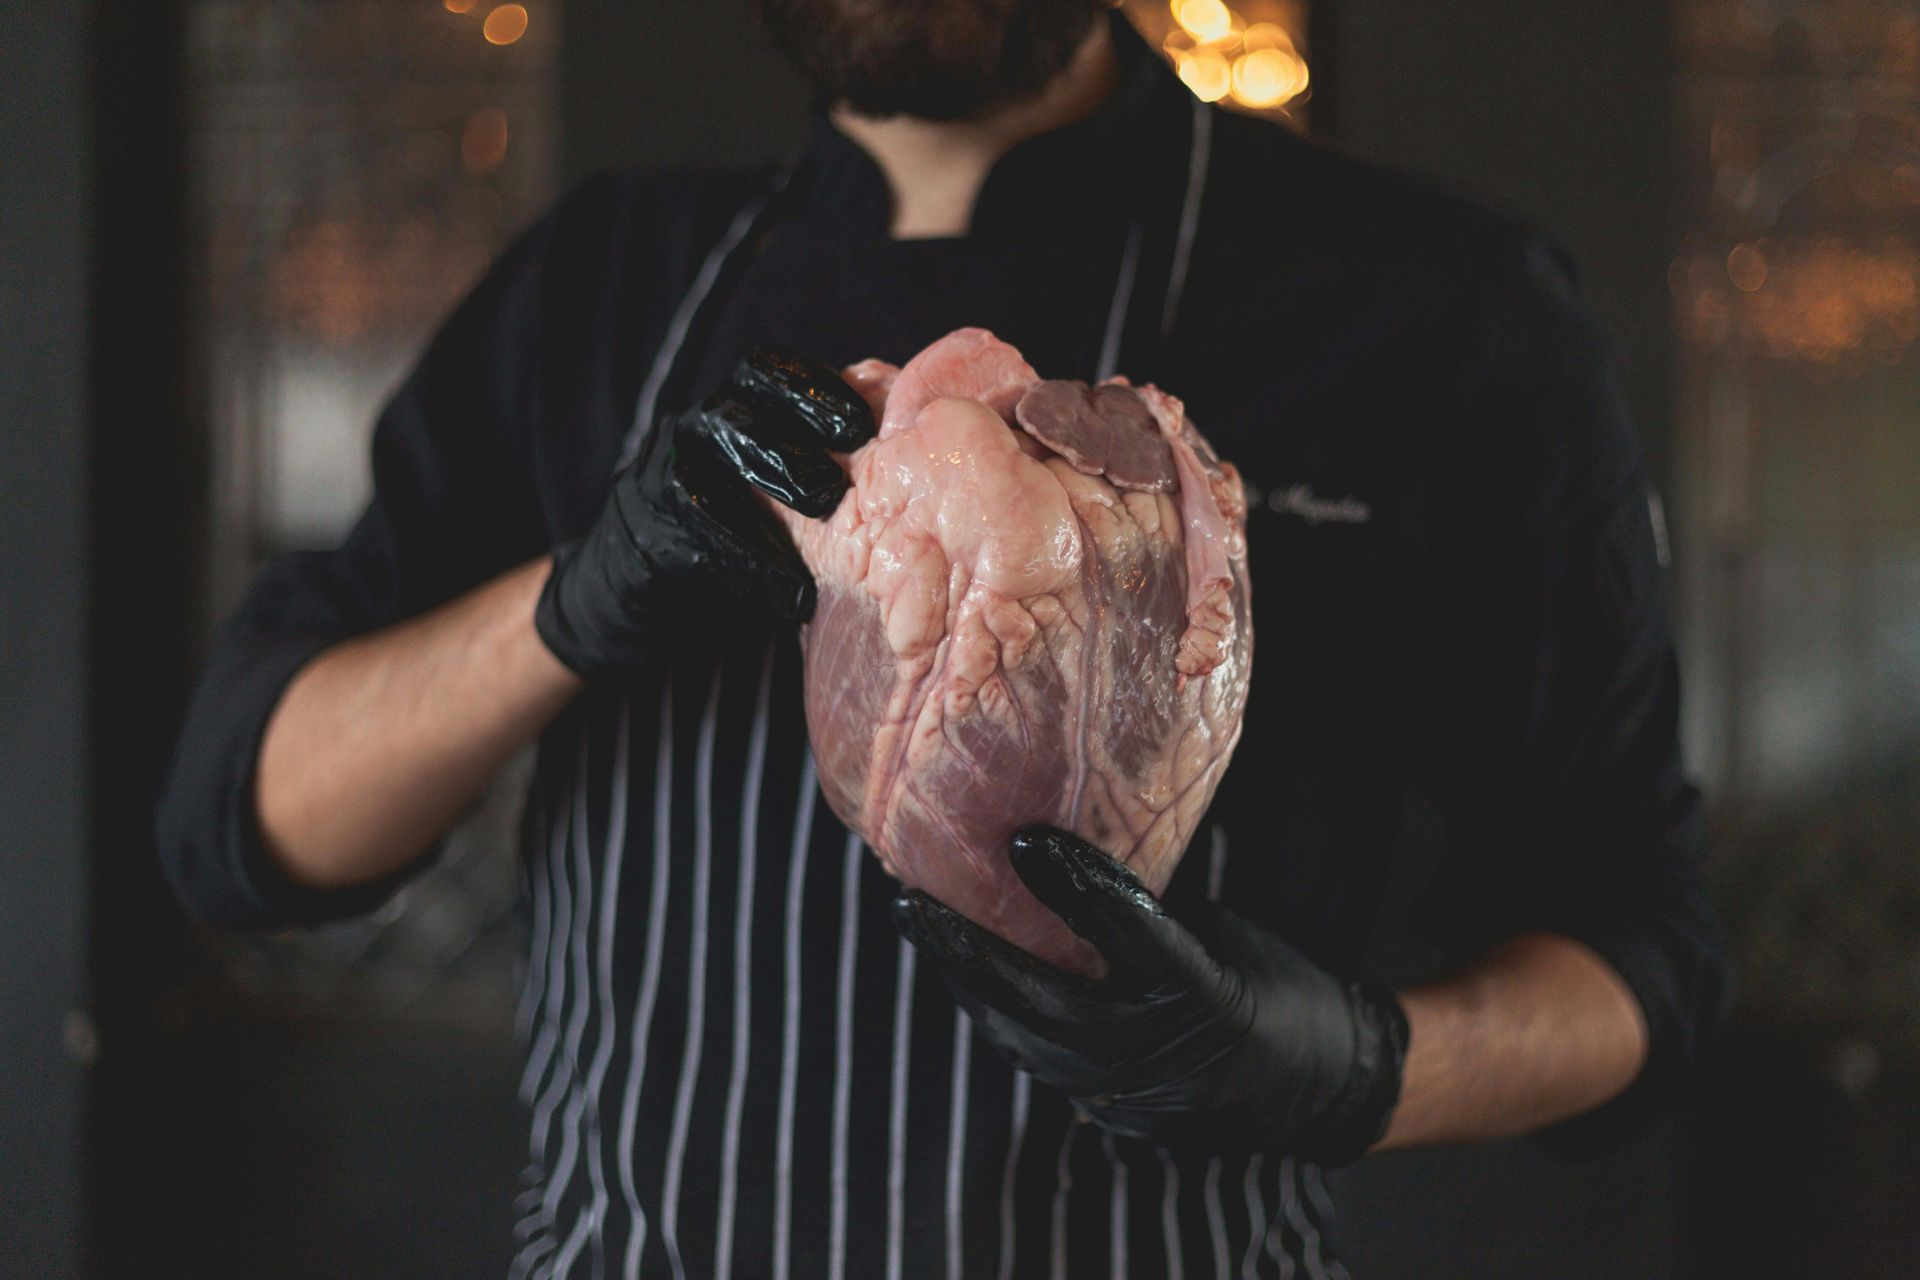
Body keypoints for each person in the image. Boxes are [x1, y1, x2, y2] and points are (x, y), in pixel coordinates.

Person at [156, 2, 1731, 1275]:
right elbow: (244, 822)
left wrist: (1351, 1071)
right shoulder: (600, 284)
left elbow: (1639, 961)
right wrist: (569, 604)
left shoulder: (1439, 308)